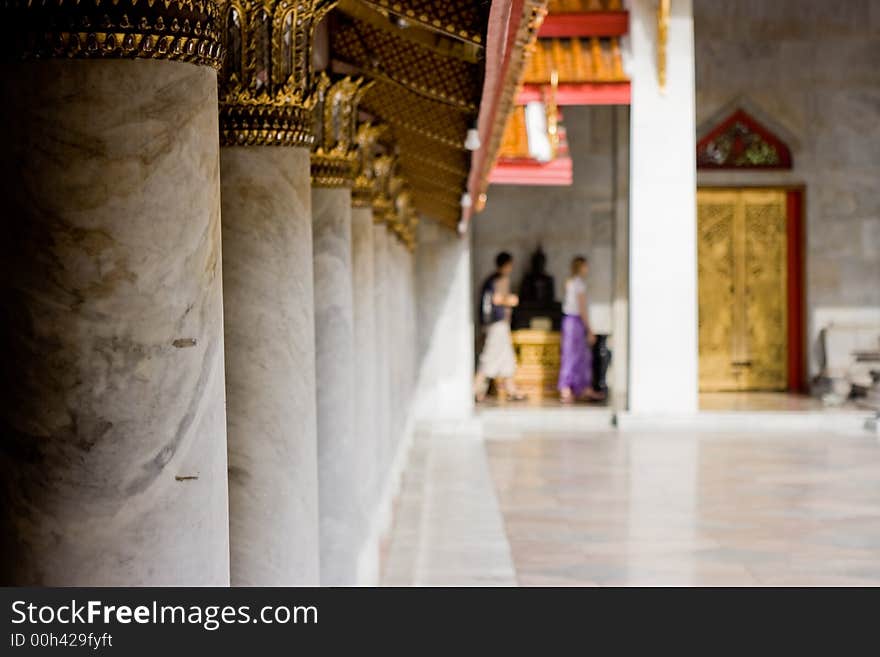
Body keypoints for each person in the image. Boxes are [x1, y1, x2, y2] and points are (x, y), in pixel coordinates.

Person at [474, 252, 527, 402]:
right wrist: (510, 300)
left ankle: (511, 389)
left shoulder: (491, 280)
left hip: (497, 324)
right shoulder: (499, 280)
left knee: (506, 358)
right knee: (490, 357)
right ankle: (475, 388)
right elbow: (497, 299)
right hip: (497, 324)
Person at [558, 256, 604, 403]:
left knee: (570, 354)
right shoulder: (578, 284)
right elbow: (582, 308)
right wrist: (590, 329)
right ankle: (578, 388)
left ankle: (571, 388)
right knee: (579, 355)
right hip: (575, 322)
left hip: (568, 321)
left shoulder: (569, 283)